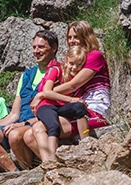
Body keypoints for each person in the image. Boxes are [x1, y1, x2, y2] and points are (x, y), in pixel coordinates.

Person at [24, 20, 111, 160]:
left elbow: (73, 86)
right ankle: (55, 166)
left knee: (40, 128)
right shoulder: (74, 61)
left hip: (94, 109)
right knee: (28, 136)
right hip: (79, 107)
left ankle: (75, 156)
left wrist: (43, 94)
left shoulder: (94, 56)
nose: (72, 41)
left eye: (76, 37)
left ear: (86, 36)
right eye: (69, 37)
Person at [0, 30, 59, 171]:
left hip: (38, 122)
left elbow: (55, 110)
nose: (36, 51)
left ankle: (29, 170)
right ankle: (15, 172)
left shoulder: (57, 72)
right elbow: (14, 114)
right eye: (34, 47)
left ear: (54, 48)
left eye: (41, 47)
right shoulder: (26, 75)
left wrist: (22, 124)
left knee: (14, 135)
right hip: (20, 122)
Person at [32, 45, 89, 161]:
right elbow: (47, 92)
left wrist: (76, 102)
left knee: (79, 107)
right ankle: (52, 160)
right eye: (72, 64)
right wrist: (71, 100)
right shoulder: (56, 70)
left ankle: (86, 144)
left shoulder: (79, 77)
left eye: (79, 65)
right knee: (53, 125)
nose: (74, 68)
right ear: (66, 61)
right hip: (46, 105)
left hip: (61, 106)